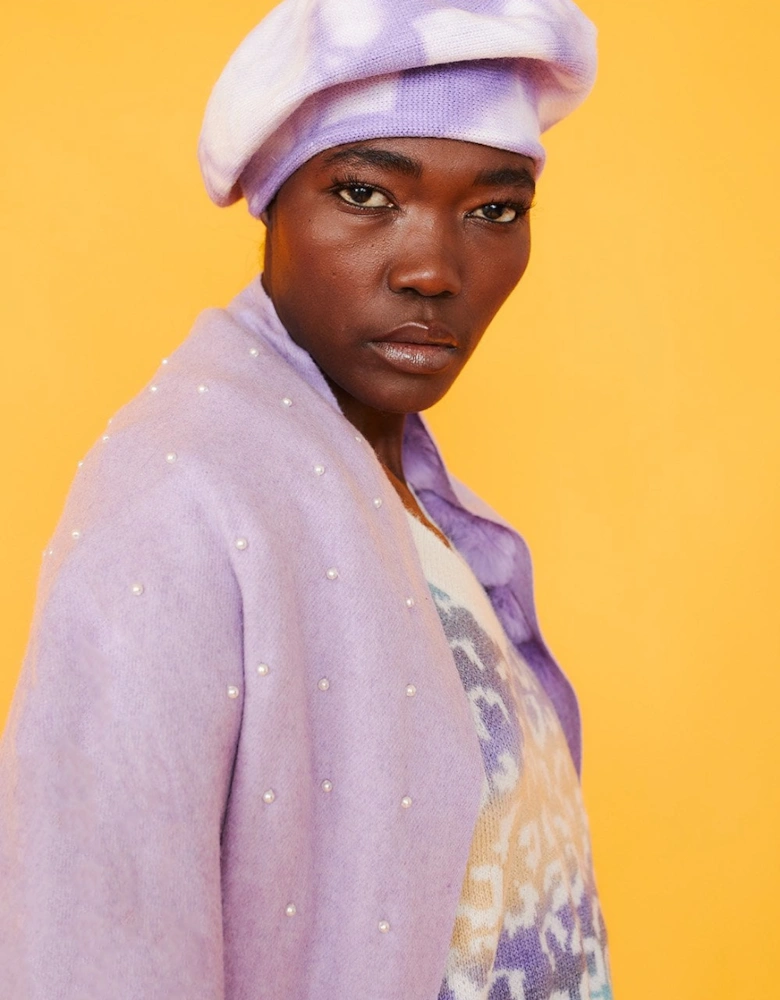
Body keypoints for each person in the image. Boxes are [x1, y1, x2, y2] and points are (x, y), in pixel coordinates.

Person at [0, 1, 613, 998]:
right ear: (275, 201)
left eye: (495, 208)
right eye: (368, 192)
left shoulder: (401, 491)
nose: (432, 269)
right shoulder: (177, 504)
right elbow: (87, 950)